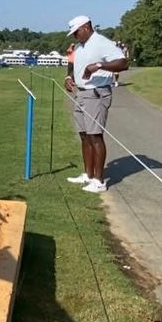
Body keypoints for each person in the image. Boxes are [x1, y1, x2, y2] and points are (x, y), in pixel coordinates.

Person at [63, 15, 128, 193]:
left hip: (96, 93)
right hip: (82, 93)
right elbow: (76, 65)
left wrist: (99, 65)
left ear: (86, 27)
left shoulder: (102, 43)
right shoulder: (80, 46)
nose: (75, 36)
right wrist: (69, 77)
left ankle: (99, 181)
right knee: (84, 135)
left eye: (76, 32)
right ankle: (88, 174)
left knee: (95, 136)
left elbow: (123, 63)